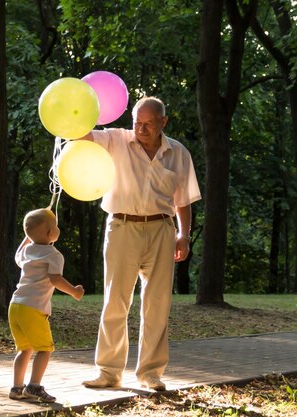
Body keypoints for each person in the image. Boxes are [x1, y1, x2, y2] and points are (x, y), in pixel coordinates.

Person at [81, 97, 201, 391]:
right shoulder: (117, 140)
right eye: (137, 122)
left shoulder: (178, 153)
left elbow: (183, 200)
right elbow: (83, 136)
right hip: (122, 227)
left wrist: (183, 234)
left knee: (158, 305)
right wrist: (75, 115)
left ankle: (150, 372)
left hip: (161, 229)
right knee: (115, 301)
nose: (141, 128)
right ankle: (108, 371)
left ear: (163, 122)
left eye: (148, 123)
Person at [8, 208, 85, 403]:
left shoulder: (26, 251)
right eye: (56, 226)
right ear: (51, 233)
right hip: (33, 309)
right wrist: (74, 292)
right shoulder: (53, 254)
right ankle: (34, 386)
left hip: (15, 306)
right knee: (45, 349)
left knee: (24, 349)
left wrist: (27, 237)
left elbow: (18, 253)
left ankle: (17, 388)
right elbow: (55, 279)